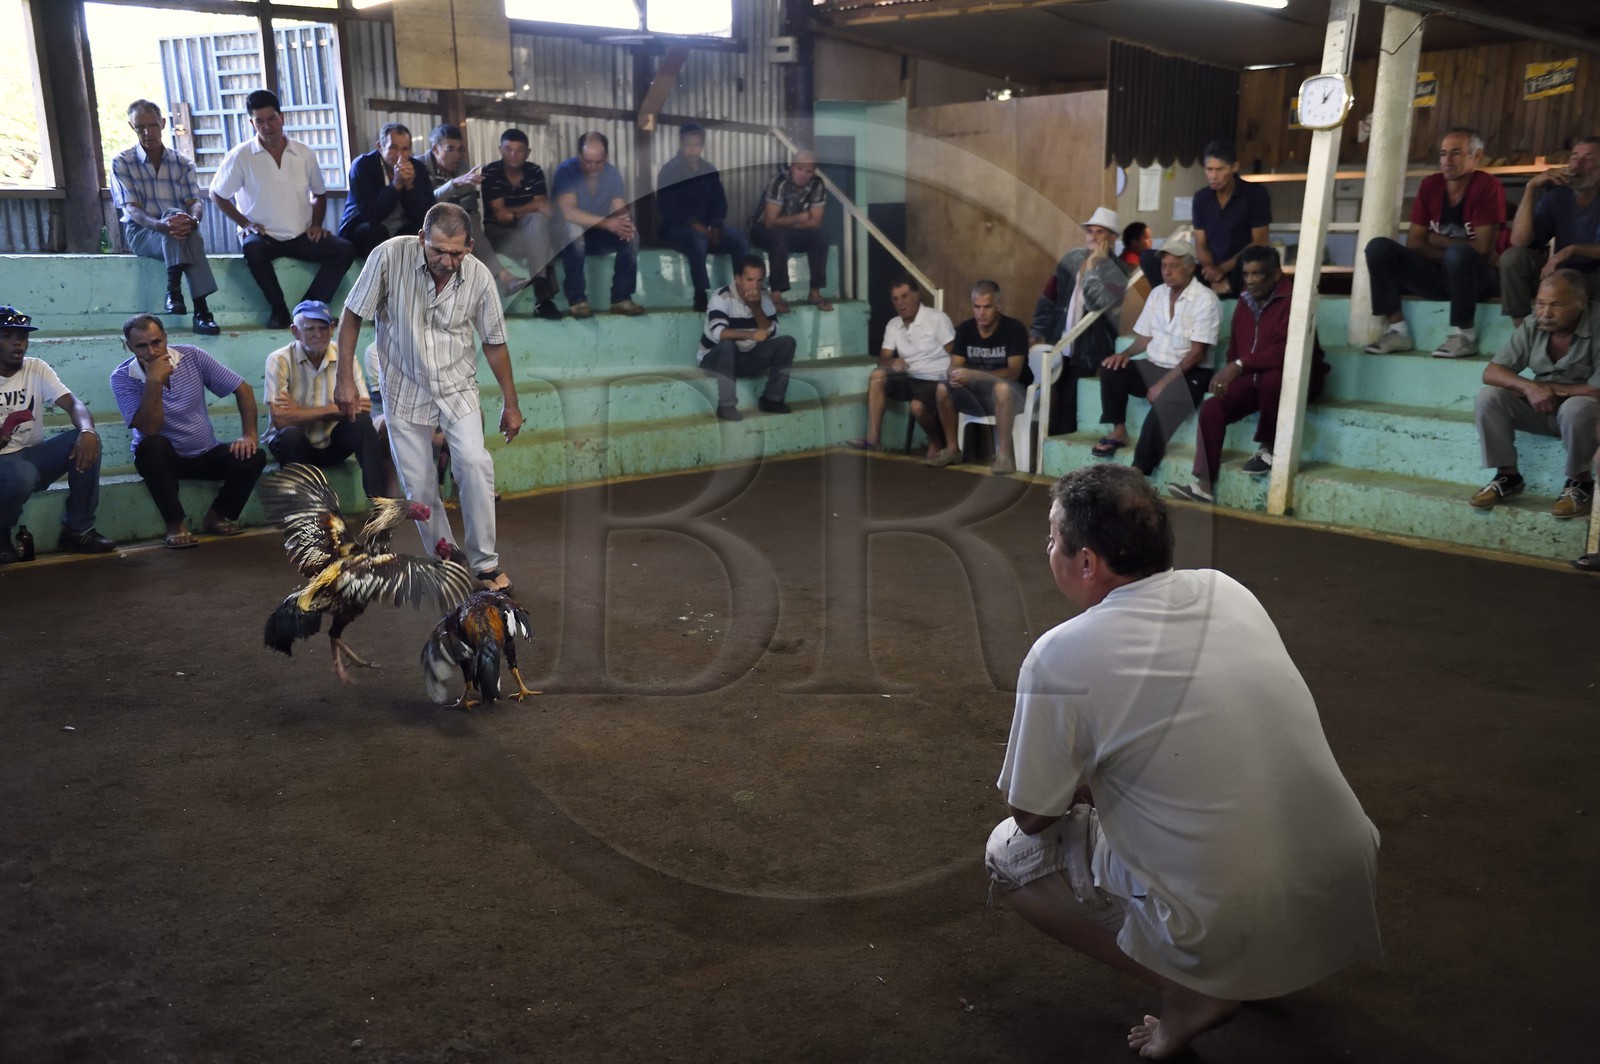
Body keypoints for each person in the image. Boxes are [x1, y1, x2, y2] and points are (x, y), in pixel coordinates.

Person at [987, 464, 1381, 1060]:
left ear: (1086, 562)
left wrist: (1088, 781)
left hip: (1228, 904)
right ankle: (1251, 965)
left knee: (1010, 854)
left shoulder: (1059, 654)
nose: (1048, 551)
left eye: (1052, 539)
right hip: (1339, 877)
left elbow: (1032, 813)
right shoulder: (1227, 589)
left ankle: (1191, 990)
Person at [333, 203, 523, 593]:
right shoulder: (389, 257)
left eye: (456, 253)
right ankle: (448, 561)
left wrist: (511, 402)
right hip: (404, 388)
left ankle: (485, 564)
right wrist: (344, 378)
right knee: (419, 489)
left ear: (470, 246)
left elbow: (494, 342)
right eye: (438, 250)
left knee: (474, 463)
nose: (447, 261)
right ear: (422, 238)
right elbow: (352, 315)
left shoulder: (479, 277)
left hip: (457, 386)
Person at [1169, 245, 1329, 504]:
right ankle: (1203, 485)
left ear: (1275, 274)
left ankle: (1268, 447)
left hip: (1295, 380)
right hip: (1252, 379)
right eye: (1246, 274)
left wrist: (1239, 365)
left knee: (1272, 378)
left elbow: (1287, 350)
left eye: (1257, 274)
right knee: (1212, 407)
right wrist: (1232, 371)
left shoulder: (1295, 300)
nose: (1250, 280)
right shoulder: (1245, 300)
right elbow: (1235, 347)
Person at [109, 314, 266, 549]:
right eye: (141, 346)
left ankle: (217, 515)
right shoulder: (122, 377)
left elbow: (242, 388)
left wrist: (249, 435)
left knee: (254, 456)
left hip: (204, 452)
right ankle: (175, 525)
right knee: (152, 445)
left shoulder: (191, 356)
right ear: (128, 346)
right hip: (163, 461)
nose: (151, 351)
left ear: (165, 338)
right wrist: (153, 381)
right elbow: (150, 428)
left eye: (156, 342)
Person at [210, 89, 354, 329]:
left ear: (282, 118)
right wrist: (245, 224)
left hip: (301, 235)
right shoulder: (241, 156)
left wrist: (317, 224)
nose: (267, 126)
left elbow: (319, 194)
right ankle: (279, 310)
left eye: (271, 119)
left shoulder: (304, 153)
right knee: (252, 249)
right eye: (259, 121)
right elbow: (217, 194)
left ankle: (308, 307)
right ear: (252, 123)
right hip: (263, 237)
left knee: (344, 250)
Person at [1362, 128, 1505, 359]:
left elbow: (1483, 250)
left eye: (1456, 153)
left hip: (1477, 281)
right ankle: (1398, 330)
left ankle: (1465, 336)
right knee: (1378, 247)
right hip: (1438, 277)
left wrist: (1439, 241)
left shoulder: (1487, 186)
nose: (1447, 160)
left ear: (1476, 156)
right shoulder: (1431, 185)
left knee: (1459, 255)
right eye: (1443, 153)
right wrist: (1452, 251)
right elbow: (1415, 243)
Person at [1469, 270, 1597, 520]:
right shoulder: (1533, 324)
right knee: (1489, 397)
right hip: (1543, 408)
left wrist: (1551, 390)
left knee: (1577, 407)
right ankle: (1508, 476)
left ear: (1581, 302)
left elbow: (1596, 389)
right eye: (1540, 303)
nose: (1545, 313)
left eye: (1556, 305)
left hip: (1587, 416)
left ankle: (1580, 482)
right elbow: (1492, 372)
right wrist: (1530, 388)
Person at [1095, 240, 1221, 476]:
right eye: (1164, 266)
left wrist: (1163, 384)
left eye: (1174, 266)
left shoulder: (1206, 300)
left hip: (1190, 373)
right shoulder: (1157, 294)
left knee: (1164, 405)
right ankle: (1119, 430)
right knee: (1112, 368)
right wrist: (1124, 354)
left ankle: (1138, 470)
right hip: (1155, 366)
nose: (1167, 272)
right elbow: (1145, 337)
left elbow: (1198, 353)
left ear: (1190, 267)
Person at [0, 306, 115, 562]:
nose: (18, 342)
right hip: (5, 464)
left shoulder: (36, 368)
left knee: (87, 441)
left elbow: (74, 404)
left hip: (33, 456)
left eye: (22, 336)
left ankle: (78, 530)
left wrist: (87, 430)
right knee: (22, 474)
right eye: (7, 335)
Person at [109, 100, 221, 336]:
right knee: (180, 226)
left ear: (162, 123)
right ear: (131, 127)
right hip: (143, 232)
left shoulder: (182, 163)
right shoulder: (122, 162)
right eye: (140, 127)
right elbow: (132, 210)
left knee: (184, 227)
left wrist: (193, 221)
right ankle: (201, 311)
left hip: (179, 231)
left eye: (152, 125)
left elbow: (195, 202)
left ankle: (174, 293)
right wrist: (161, 225)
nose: (147, 132)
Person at [262, 299, 392, 501]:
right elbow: (280, 420)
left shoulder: (344, 356)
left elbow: (362, 407)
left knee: (362, 423)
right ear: (295, 331)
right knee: (290, 436)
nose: (318, 334)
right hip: (297, 447)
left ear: (332, 329)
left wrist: (298, 413)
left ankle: (380, 503)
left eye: (323, 328)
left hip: (332, 443)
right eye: (310, 329)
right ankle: (306, 511)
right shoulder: (279, 359)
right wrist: (336, 409)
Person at [1031, 207, 1133, 434]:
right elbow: (1049, 296)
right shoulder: (1071, 258)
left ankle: (1064, 443)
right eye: (1090, 231)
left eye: (1100, 232)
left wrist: (1093, 267)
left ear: (1112, 238)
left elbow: (1096, 302)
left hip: (1090, 347)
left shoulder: (1119, 269)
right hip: (1060, 341)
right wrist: (1037, 330)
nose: (1093, 236)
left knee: (1071, 400)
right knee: (1055, 398)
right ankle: (1054, 443)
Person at [844, 276, 956, 464]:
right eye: (895, 298)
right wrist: (893, 361)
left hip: (934, 379)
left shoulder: (936, 319)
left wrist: (953, 378)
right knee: (877, 376)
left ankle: (936, 441)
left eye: (904, 296)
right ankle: (873, 440)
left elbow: (956, 353)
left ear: (917, 296)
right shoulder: (893, 324)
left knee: (917, 407)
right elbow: (882, 360)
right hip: (910, 377)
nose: (900, 303)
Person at [1142, 140, 1269, 298]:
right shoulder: (1201, 198)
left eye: (1220, 169)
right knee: (1148, 259)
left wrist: (1222, 270)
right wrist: (1210, 272)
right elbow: (1200, 243)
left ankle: (1219, 292)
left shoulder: (1255, 195)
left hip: (1240, 271)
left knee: (1253, 269)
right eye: (1209, 169)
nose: (1213, 176)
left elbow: (1260, 242)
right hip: (1209, 272)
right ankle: (1171, 301)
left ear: (1234, 167)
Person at [1499, 136, 1600, 327]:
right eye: (1574, 157)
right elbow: (1519, 241)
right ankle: (1522, 331)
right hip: (1560, 274)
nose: (1577, 165)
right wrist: (1531, 187)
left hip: (1594, 278)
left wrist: (1571, 250)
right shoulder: (1557, 196)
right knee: (1513, 257)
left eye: (1588, 159)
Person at [658, 123, 750, 313]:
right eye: (688, 145)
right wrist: (695, 225)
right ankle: (701, 294)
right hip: (678, 230)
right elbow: (669, 208)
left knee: (739, 238)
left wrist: (715, 225)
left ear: (702, 145)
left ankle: (743, 291)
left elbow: (720, 203)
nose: (693, 149)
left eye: (697, 144)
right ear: (681, 144)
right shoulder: (669, 171)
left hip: (709, 228)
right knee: (698, 240)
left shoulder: (709, 170)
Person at [551, 132, 645, 319]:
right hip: (564, 238)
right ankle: (577, 300)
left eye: (598, 162)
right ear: (579, 155)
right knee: (574, 230)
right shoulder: (566, 171)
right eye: (588, 161)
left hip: (595, 234)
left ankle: (621, 298)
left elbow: (620, 208)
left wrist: (625, 223)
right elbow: (569, 213)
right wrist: (608, 223)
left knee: (631, 234)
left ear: (606, 157)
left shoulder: (612, 173)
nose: (593, 166)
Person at [943, 280, 1030, 475]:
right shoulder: (965, 329)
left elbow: (1013, 373)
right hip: (977, 394)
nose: (981, 313)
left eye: (987, 307)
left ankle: (1004, 456)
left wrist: (974, 375)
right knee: (942, 389)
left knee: (1002, 388)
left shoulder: (1014, 329)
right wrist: (954, 374)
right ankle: (952, 449)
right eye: (977, 307)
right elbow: (954, 364)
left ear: (998, 305)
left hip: (1013, 394)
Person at [696, 255, 794, 422]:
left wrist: (755, 307)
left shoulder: (763, 297)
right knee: (727, 345)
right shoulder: (721, 296)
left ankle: (772, 400)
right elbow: (719, 333)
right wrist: (750, 334)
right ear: (738, 278)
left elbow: (772, 332)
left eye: (759, 280)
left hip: (746, 357)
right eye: (749, 280)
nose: (754, 286)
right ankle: (726, 406)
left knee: (787, 343)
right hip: (715, 361)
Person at [480, 127, 562, 319]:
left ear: (528, 152)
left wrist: (514, 212)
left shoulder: (534, 170)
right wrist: (532, 207)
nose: (513, 154)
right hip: (498, 233)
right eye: (508, 149)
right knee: (542, 241)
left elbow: (545, 209)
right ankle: (544, 298)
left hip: (529, 231)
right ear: (500, 149)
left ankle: (542, 293)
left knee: (539, 223)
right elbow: (500, 215)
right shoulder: (491, 171)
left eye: (519, 150)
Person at [749, 150, 833, 314]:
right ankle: (776, 295)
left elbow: (815, 223)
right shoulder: (779, 181)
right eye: (799, 169)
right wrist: (801, 217)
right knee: (780, 237)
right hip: (762, 229)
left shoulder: (817, 184)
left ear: (813, 172)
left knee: (820, 237)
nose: (803, 175)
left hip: (791, 232)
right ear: (792, 166)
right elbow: (770, 221)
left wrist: (788, 223)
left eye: (808, 171)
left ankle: (815, 292)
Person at [337, 122, 435, 257]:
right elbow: (371, 214)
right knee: (375, 231)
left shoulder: (417, 168)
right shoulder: (363, 166)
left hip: (401, 226)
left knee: (426, 231)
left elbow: (424, 214)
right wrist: (396, 185)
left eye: (405, 149)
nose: (400, 155)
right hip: (364, 226)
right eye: (393, 148)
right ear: (380, 147)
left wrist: (410, 187)